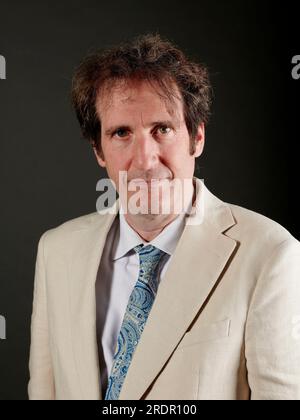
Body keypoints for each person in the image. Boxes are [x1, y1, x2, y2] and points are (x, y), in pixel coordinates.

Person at [28, 33, 300, 400]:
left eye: (162, 129)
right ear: (99, 151)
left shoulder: (270, 253)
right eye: (122, 133)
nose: (144, 160)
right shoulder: (56, 251)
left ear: (197, 137)